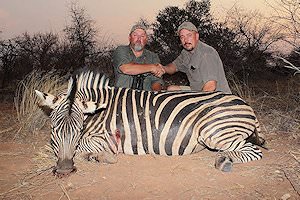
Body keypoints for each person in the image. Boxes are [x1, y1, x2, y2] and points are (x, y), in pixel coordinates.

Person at [162, 21, 232, 94]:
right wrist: (162, 68)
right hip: (196, 91)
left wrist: (196, 103)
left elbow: (210, 86)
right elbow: (173, 67)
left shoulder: (206, 53)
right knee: (171, 89)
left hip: (217, 97)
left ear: (197, 36)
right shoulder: (185, 52)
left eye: (189, 35)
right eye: (182, 37)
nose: (186, 40)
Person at [113, 24, 165, 91]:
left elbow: (156, 82)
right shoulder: (121, 50)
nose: (139, 39)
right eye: (135, 35)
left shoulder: (153, 56)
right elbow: (125, 69)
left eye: (142, 36)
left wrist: (155, 95)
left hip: (145, 98)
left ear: (146, 39)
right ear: (129, 38)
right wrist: (152, 67)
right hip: (122, 97)